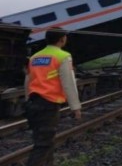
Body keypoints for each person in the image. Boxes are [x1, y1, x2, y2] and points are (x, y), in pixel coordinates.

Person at [24, 27, 82, 166]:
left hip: (33, 103)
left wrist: (28, 101)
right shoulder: (63, 56)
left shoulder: (34, 57)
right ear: (62, 39)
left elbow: (28, 81)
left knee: (45, 141)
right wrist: (75, 107)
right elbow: (68, 83)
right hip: (48, 105)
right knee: (43, 145)